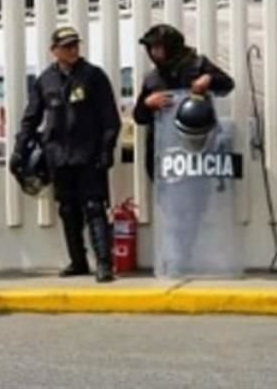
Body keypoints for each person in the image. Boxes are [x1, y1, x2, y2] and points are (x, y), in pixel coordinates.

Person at [14, 26, 121, 283]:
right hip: (58, 156)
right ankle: (78, 261)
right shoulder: (45, 80)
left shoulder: (93, 76)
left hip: (88, 153)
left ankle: (104, 264)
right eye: (67, 46)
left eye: (75, 45)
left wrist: (106, 149)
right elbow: (31, 118)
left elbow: (110, 119)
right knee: (67, 209)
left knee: (94, 207)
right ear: (54, 51)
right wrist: (20, 150)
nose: (73, 50)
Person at [132, 23, 234, 180]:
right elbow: (139, 117)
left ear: (171, 47)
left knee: (196, 200)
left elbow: (227, 85)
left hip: (198, 153)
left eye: (158, 47)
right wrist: (147, 103)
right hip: (166, 156)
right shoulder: (152, 79)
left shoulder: (198, 65)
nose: (154, 52)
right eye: (151, 48)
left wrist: (209, 78)